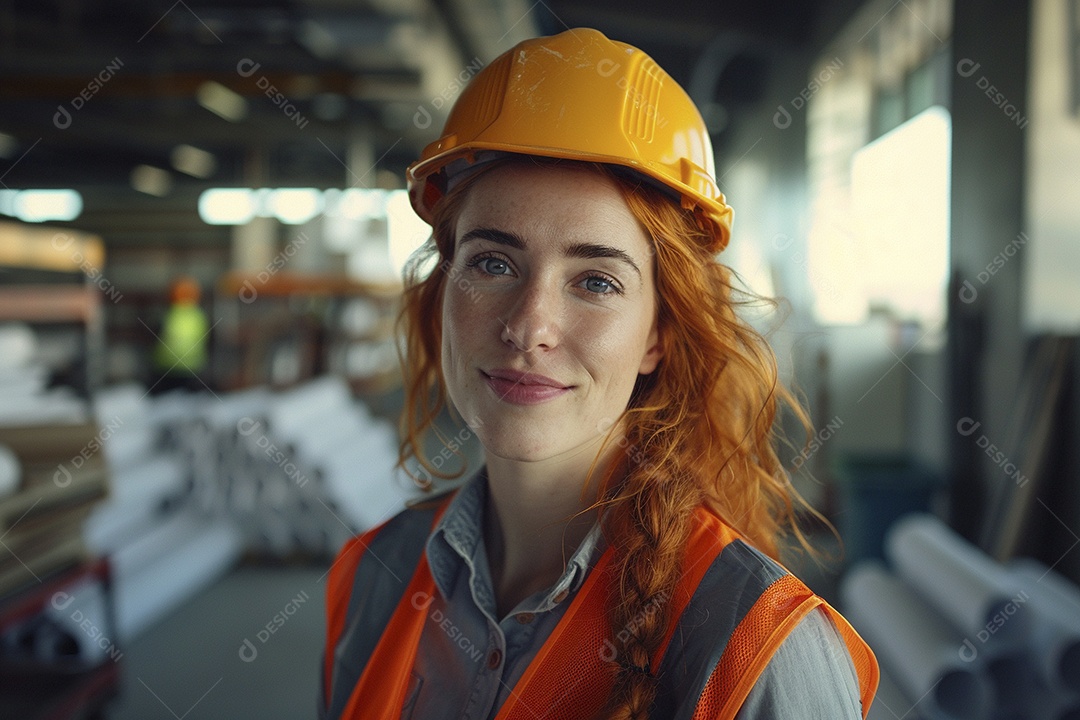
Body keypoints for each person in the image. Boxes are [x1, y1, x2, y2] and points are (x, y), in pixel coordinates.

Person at [321, 28, 878, 720]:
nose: (529, 327)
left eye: (596, 281)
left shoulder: (759, 652)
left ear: (658, 335)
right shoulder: (370, 579)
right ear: (443, 293)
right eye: (493, 263)